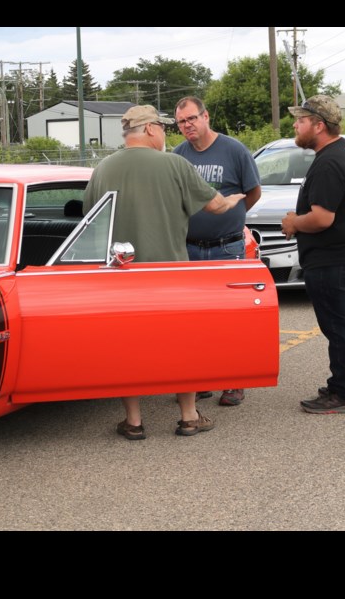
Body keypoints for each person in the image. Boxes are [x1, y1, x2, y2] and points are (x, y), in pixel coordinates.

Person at [84, 104, 245, 440]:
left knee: (127, 346)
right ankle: (188, 416)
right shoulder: (174, 163)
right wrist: (233, 201)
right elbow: (215, 206)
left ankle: (134, 422)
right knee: (178, 345)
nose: (166, 135)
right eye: (164, 128)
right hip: (170, 272)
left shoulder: (102, 169)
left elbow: (89, 219)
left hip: (121, 274)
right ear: (152, 129)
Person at [280, 95, 345, 414]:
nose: (295, 124)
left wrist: (294, 222)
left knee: (339, 327)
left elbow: (322, 218)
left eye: (301, 120)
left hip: (334, 260)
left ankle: (344, 392)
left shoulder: (330, 161)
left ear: (319, 125)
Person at [172, 96, 262, 407]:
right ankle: (201, 380)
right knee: (196, 320)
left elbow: (253, 192)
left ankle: (234, 382)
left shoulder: (234, 150)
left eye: (192, 119)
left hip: (227, 248)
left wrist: (232, 218)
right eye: (182, 122)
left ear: (206, 116)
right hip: (191, 249)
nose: (187, 126)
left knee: (231, 318)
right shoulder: (178, 155)